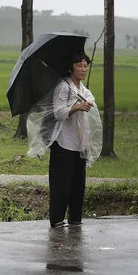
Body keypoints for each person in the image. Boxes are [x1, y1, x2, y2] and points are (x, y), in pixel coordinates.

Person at [49, 52, 97, 228]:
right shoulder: (63, 87)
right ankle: (57, 220)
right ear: (71, 67)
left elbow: (91, 108)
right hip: (63, 143)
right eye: (79, 65)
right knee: (61, 185)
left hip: (79, 144)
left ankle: (75, 219)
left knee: (78, 185)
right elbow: (58, 112)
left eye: (85, 66)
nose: (83, 69)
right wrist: (76, 107)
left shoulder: (83, 90)